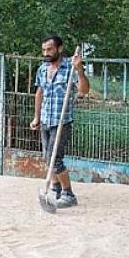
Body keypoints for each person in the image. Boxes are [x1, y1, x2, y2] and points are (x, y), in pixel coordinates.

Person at [29, 35, 89, 208]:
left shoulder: (71, 67)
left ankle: (68, 194)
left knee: (55, 160)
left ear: (59, 49)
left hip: (62, 121)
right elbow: (39, 93)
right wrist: (37, 117)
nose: (46, 53)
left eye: (50, 49)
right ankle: (55, 189)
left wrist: (79, 70)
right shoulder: (42, 69)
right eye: (44, 50)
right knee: (47, 159)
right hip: (46, 119)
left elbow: (84, 90)